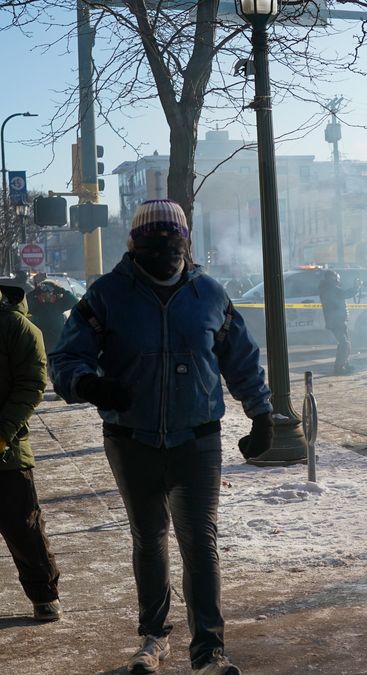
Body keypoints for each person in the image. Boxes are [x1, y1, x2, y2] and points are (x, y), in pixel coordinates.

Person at [49, 199, 273, 675]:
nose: (163, 252)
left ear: (185, 243)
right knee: (149, 539)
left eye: (172, 242)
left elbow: (241, 359)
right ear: (134, 245)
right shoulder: (106, 295)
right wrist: (88, 383)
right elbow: (66, 359)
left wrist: (262, 414)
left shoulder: (210, 295)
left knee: (200, 541)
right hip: (132, 440)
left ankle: (209, 651)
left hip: (197, 441)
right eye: (151, 244)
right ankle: (153, 639)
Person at [0, 283, 61, 623]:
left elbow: (32, 383)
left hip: (6, 450)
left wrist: (2, 432)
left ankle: (43, 594)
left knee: (22, 528)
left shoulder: (17, 325)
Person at [318, 269, 361, 375]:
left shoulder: (329, 288)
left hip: (339, 320)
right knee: (344, 343)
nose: (338, 280)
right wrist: (356, 287)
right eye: (336, 278)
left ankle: (344, 365)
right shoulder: (330, 289)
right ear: (332, 279)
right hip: (336, 321)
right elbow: (345, 294)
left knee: (346, 344)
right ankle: (339, 367)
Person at [28, 280, 78, 353]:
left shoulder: (59, 304)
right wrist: (35, 291)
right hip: (40, 341)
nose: (47, 296)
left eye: (50, 293)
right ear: (39, 295)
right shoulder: (36, 305)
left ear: (55, 295)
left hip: (56, 342)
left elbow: (74, 301)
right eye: (43, 294)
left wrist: (60, 290)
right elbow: (25, 303)